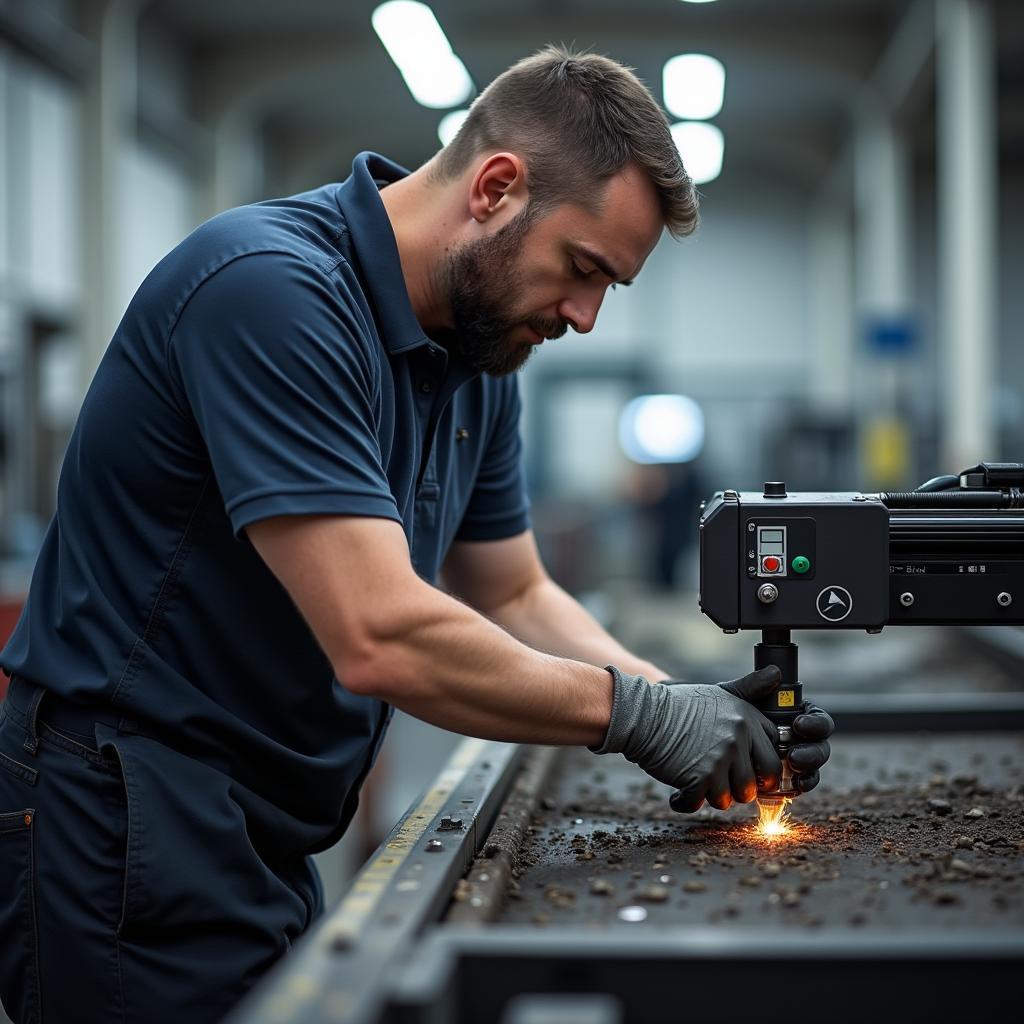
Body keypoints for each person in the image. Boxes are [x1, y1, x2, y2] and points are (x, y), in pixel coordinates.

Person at [0, 46, 832, 1023]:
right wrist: (639, 719)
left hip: (251, 818)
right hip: (124, 812)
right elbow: (378, 632)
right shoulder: (272, 293)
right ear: (494, 188)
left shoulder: (479, 358)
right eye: (581, 269)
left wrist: (684, 707)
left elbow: (514, 590)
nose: (584, 316)